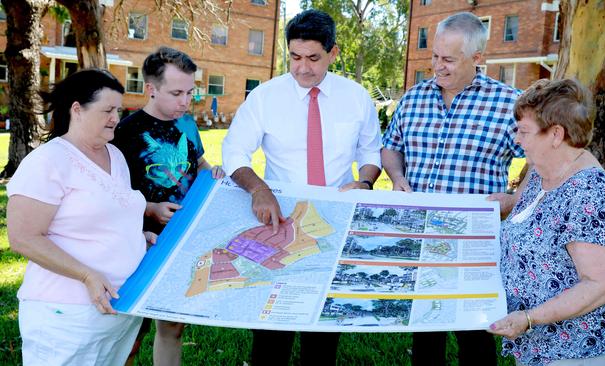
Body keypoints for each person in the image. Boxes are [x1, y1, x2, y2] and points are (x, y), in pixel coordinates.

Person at [222, 9, 382, 365]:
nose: (302, 68)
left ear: (333, 53)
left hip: (335, 219)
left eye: (313, 58)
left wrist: (366, 181)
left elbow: (370, 150)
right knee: (271, 328)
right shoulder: (265, 97)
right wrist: (257, 189)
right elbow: (234, 149)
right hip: (279, 219)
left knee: (323, 327)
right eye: (295, 57)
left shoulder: (356, 97)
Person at [381, 12, 524, 365]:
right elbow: (390, 146)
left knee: (475, 336)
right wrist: (397, 178)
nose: (437, 67)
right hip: (419, 236)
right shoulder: (414, 98)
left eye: (448, 59)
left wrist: (516, 196)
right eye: (434, 57)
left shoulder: (510, 103)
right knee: (425, 333)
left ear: (477, 59)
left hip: (473, 241)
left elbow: (540, 156)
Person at [7, 69, 154, 365]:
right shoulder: (48, 161)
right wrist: (86, 275)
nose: (116, 117)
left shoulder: (116, 156)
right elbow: (23, 238)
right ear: (77, 109)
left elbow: (108, 216)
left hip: (117, 310)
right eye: (108, 110)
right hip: (66, 314)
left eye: (119, 110)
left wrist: (138, 239)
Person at [488, 78, 605, 365]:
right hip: (538, 344)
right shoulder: (540, 174)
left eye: (524, 131)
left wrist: (530, 318)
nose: (516, 140)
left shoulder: (591, 192)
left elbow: (604, 284)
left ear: (556, 135)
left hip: (578, 349)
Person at [112, 47, 223, 366]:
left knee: (172, 326)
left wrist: (212, 173)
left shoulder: (187, 123)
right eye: (176, 93)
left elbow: (198, 163)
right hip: (139, 242)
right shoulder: (125, 132)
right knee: (129, 332)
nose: (185, 101)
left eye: (190, 92)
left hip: (181, 239)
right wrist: (150, 208)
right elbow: (110, 194)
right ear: (151, 88)